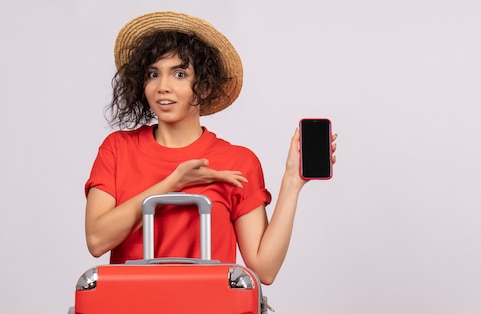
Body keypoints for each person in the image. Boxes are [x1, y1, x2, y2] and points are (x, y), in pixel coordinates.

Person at [84, 11, 337, 285]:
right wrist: (174, 182)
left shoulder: (238, 161)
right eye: (153, 74)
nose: (163, 87)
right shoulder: (118, 149)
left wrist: (292, 182)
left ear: (203, 87)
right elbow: (97, 240)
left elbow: (264, 269)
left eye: (179, 74)